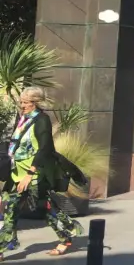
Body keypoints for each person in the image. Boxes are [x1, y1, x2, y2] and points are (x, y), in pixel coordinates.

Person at [0, 87, 83, 260]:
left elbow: (45, 148)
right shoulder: (23, 118)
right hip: (17, 171)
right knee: (11, 205)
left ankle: (67, 234)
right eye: (21, 102)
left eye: (26, 103)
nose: (22, 106)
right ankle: (7, 241)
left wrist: (30, 174)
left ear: (35, 103)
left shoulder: (42, 120)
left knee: (43, 207)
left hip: (34, 172)